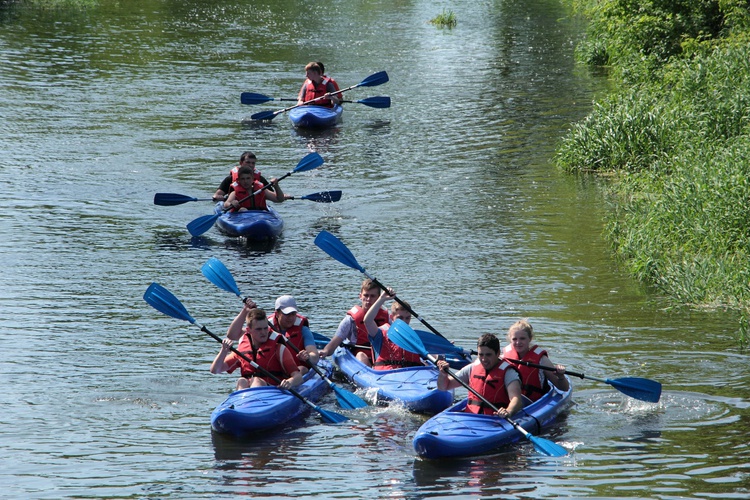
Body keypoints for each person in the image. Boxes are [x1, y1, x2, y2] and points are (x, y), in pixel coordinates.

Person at [210, 306, 302, 391]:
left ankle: (251, 405)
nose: (263, 332)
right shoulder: (242, 350)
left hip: (274, 392)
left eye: (265, 328)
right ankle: (242, 405)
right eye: (258, 329)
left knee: (256, 381)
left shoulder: (279, 349)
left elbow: (298, 377)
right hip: (249, 395)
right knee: (242, 381)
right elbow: (215, 370)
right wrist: (223, 350)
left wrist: (289, 382)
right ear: (249, 330)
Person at [436, 333, 523, 418]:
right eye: (481, 354)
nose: (484, 359)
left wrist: (508, 411)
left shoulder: (509, 372)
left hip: (495, 420)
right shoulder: (472, 368)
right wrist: (443, 374)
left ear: (498, 353)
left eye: (488, 355)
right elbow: (443, 387)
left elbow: (516, 399)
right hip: (471, 417)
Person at [318, 279, 389, 364]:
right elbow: (335, 341)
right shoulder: (350, 320)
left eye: (372, 296)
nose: (368, 299)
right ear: (360, 296)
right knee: (361, 355)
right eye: (366, 295)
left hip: (381, 357)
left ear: (378, 298)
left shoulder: (386, 316)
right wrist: (325, 351)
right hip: (359, 357)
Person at [502, 319, 569, 401]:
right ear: (510, 339)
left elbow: (564, 388)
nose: (518, 342)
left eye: (522, 338)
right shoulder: (503, 358)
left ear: (530, 339)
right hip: (510, 401)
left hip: (534, 403)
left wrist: (561, 376)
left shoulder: (542, 360)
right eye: (514, 339)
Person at [363, 288, 424, 369]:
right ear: (392, 317)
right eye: (400, 318)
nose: (404, 321)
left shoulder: (414, 337)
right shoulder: (381, 335)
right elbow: (367, 321)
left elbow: (430, 353)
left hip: (413, 374)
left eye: (407, 318)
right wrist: (382, 298)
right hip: (388, 375)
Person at [267, 295, 320, 374]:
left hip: (297, 370)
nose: (291, 318)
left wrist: (308, 356)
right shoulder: (265, 329)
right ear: (277, 314)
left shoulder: (303, 330)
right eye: (287, 314)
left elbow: (315, 356)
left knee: (301, 369)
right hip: (274, 372)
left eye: (293, 314)